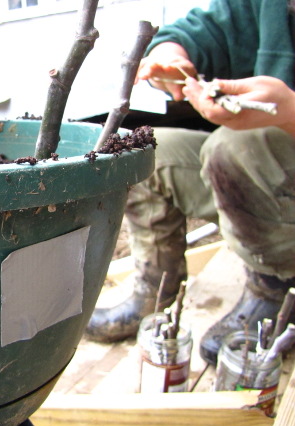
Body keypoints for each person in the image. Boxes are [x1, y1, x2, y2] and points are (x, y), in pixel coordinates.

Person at [85, 0, 295, 365]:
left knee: (234, 148)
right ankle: (155, 289)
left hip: (270, 167)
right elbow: (205, 30)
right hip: (270, 184)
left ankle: (273, 289)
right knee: (139, 152)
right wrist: (172, 54)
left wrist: (290, 113)